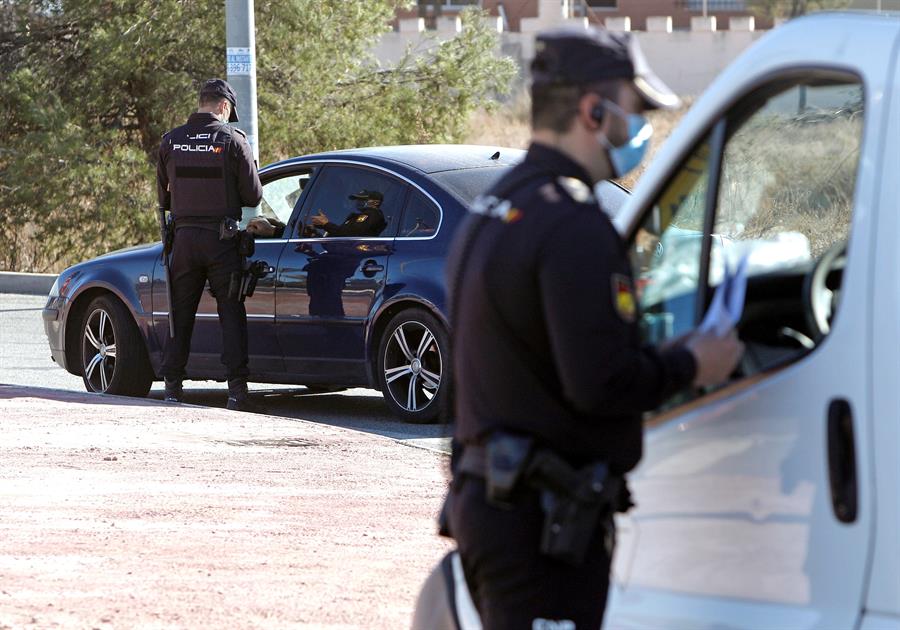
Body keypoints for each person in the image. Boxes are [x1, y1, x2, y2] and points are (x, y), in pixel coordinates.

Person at [441, 28, 744, 628]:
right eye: (635, 113)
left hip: (495, 507)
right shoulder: (574, 224)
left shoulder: (493, 209)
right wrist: (694, 364)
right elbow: (600, 382)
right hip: (541, 525)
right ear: (592, 110)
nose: (640, 131)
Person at [156, 78, 264, 412]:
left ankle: (173, 388)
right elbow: (254, 195)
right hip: (222, 239)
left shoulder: (171, 141)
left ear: (202, 102)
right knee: (230, 313)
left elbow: (163, 196)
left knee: (181, 313)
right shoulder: (232, 140)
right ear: (224, 106)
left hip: (184, 240)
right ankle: (237, 391)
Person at [310, 190, 387, 237]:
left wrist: (326, 224)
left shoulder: (372, 215)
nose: (358, 201)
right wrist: (317, 232)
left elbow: (349, 234)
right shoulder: (361, 215)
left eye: (363, 199)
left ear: (376, 202)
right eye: (357, 199)